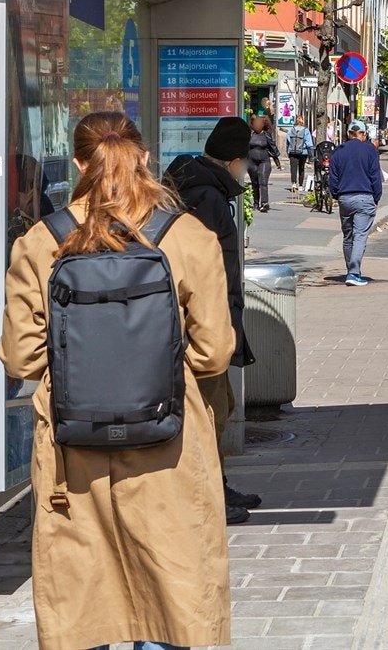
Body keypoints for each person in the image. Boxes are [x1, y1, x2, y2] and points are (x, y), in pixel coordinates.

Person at [0, 111, 233, 650]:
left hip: (72, 456)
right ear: (144, 158)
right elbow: (216, 351)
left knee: (84, 601)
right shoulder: (187, 235)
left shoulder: (41, 242)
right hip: (168, 443)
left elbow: (21, 358)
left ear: (79, 163)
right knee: (172, 597)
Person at [165, 116, 261, 525]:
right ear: (233, 161)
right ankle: (208, 497)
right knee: (211, 411)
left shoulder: (199, 186)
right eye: (244, 161)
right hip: (202, 323)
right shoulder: (205, 196)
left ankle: (216, 486)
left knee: (219, 407)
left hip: (203, 320)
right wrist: (215, 327)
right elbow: (201, 267)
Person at [328, 119, 383, 287]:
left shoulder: (338, 151)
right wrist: (376, 197)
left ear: (348, 134)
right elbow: (375, 175)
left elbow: (333, 178)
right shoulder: (370, 150)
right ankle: (353, 273)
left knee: (348, 236)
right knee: (360, 236)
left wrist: (337, 195)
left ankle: (351, 271)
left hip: (345, 197)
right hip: (365, 196)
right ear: (364, 134)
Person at [245, 114, 280, 212]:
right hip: (251, 161)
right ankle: (256, 202)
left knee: (263, 181)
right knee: (254, 182)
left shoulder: (266, 135)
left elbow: (272, 147)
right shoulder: (250, 134)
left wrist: (277, 160)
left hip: (264, 161)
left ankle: (264, 203)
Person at [286, 116, 314, 193]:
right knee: (301, 168)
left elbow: (288, 141)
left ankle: (293, 183)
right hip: (303, 152)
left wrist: (288, 151)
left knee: (293, 168)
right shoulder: (306, 130)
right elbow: (309, 143)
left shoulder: (291, 130)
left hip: (292, 152)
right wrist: (311, 155)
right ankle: (301, 185)